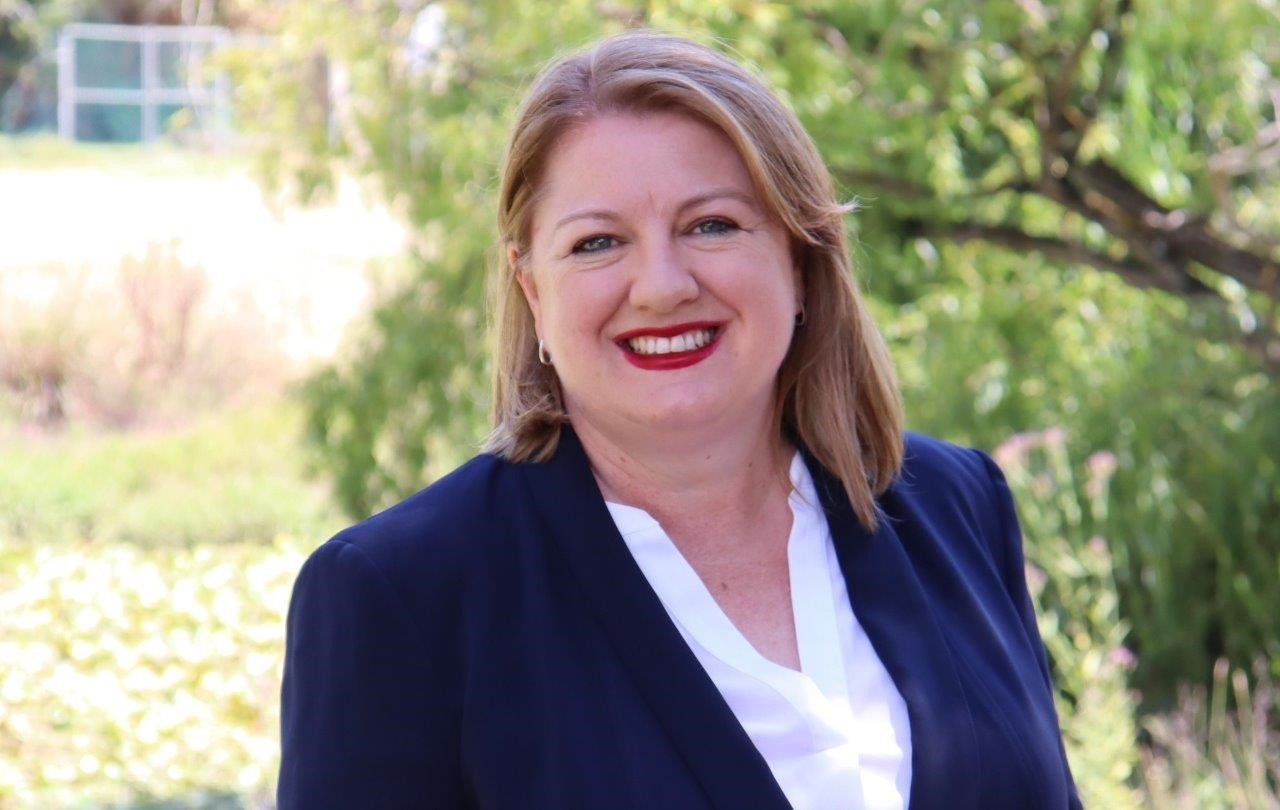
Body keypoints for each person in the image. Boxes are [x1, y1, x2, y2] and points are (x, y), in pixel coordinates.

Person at [278, 29, 1082, 810]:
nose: (662, 286)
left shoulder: (954, 503)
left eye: (712, 226)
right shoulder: (401, 596)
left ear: (800, 260)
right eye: (598, 243)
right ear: (533, 290)